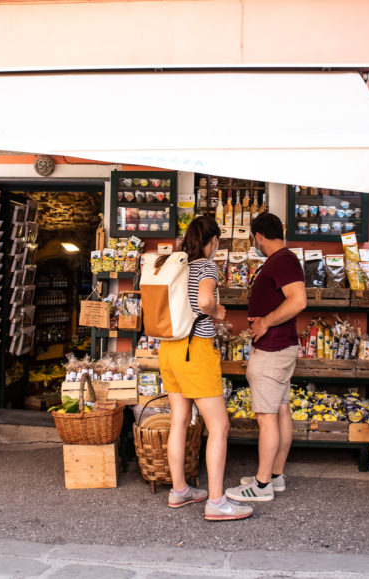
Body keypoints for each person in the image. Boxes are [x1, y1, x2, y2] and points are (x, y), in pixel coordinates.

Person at [159, 215, 253, 522]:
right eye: (217, 243)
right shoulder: (205, 266)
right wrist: (218, 309)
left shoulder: (174, 262)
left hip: (169, 348)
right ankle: (216, 501)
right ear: (213, 241)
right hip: (195, 352)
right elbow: (203, 301)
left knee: (179, 420)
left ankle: (180, 490)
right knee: (219, 427)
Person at [226, 212, 307, 503]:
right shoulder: (281, 260)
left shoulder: (283, 259)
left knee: (267, 418)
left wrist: (264, 322)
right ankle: (275, 475)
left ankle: (261, 486)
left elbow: (298, 300)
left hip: (273, 348)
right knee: (280, 411)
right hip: (279, 347)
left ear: (258, 236)